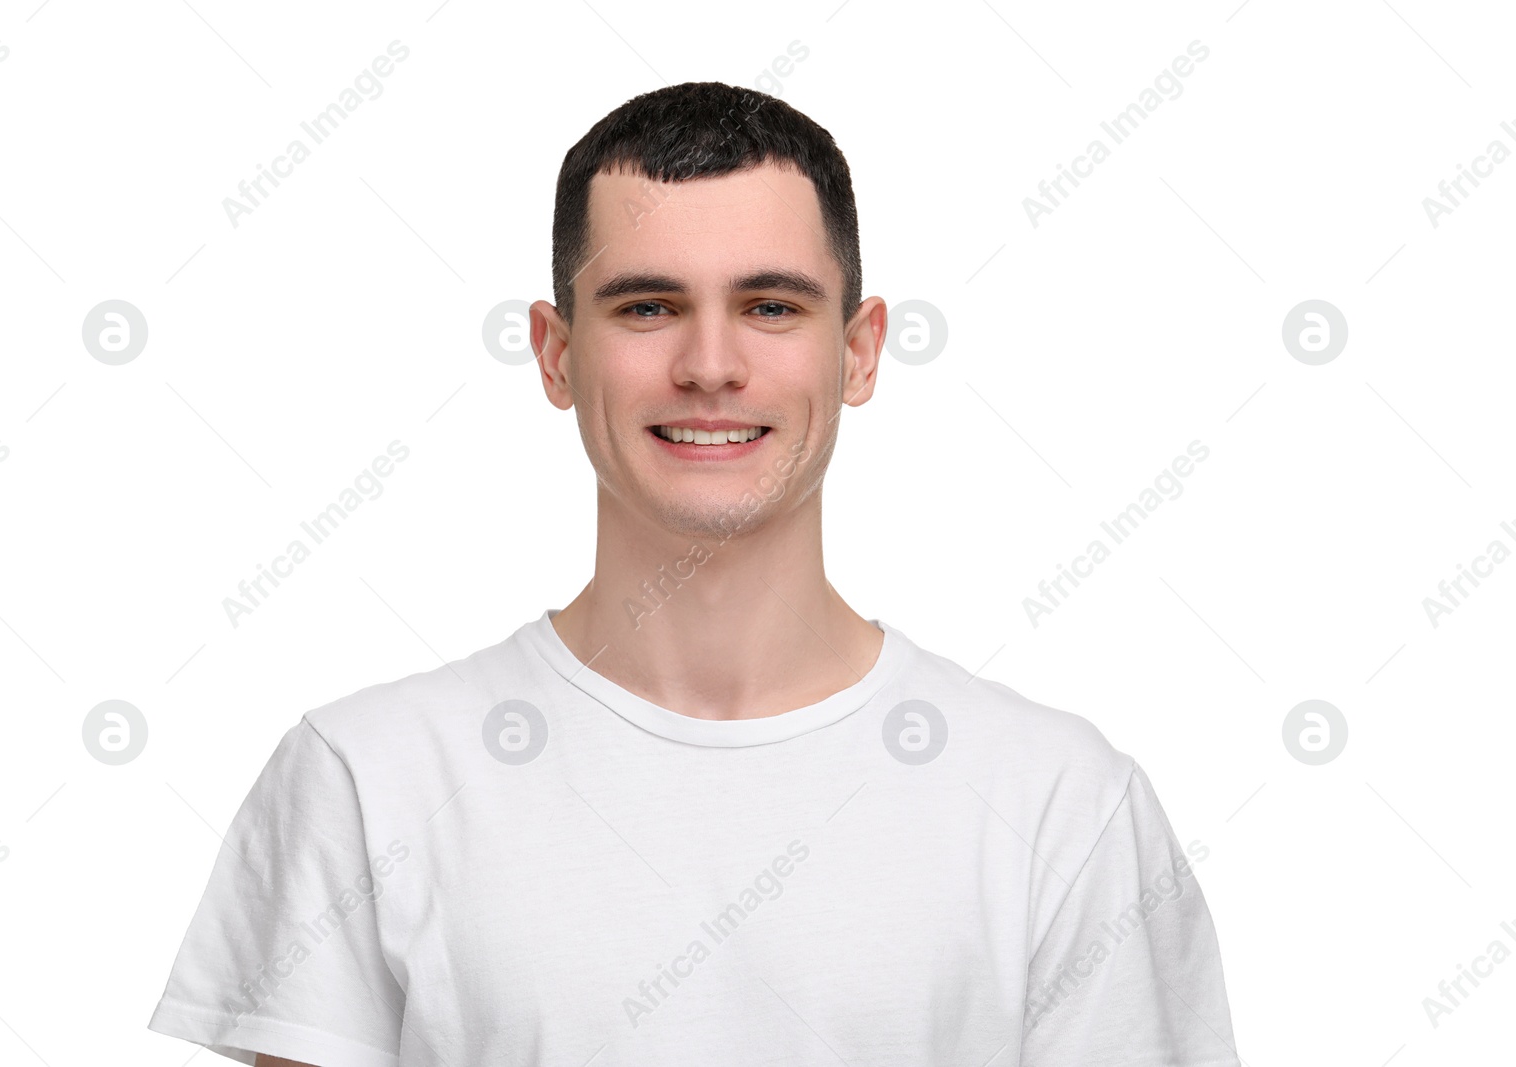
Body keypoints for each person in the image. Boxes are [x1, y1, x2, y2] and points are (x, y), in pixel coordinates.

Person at [147, 81, 1238, 1067]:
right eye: (646, 306)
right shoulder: (366, 779)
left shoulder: (1058, 803)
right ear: (555, 354)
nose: (709, 364)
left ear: (857, 351)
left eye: (769, 306)